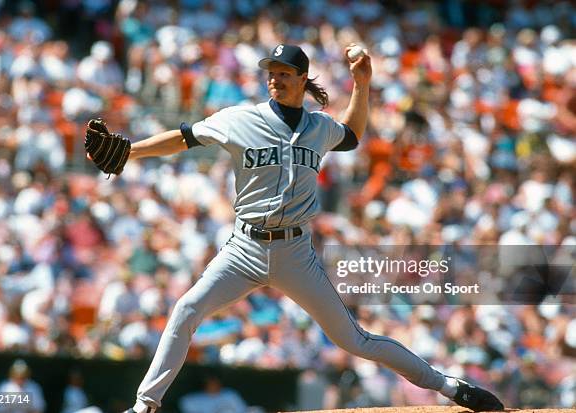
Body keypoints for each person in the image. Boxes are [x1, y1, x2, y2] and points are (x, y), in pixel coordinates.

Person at [87, 44, 504, 413]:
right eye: (271, 72)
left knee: (354, 341)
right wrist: (130, 153)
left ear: (303, 79)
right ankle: (145, 406)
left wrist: (362, 83)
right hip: (243, 248)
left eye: (284, 73)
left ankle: (450, 387)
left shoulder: (319, 126)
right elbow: (183, 138)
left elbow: (354, 135)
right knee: (186, 310)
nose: (275, 79)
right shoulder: (239, 119)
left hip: (295, 253)